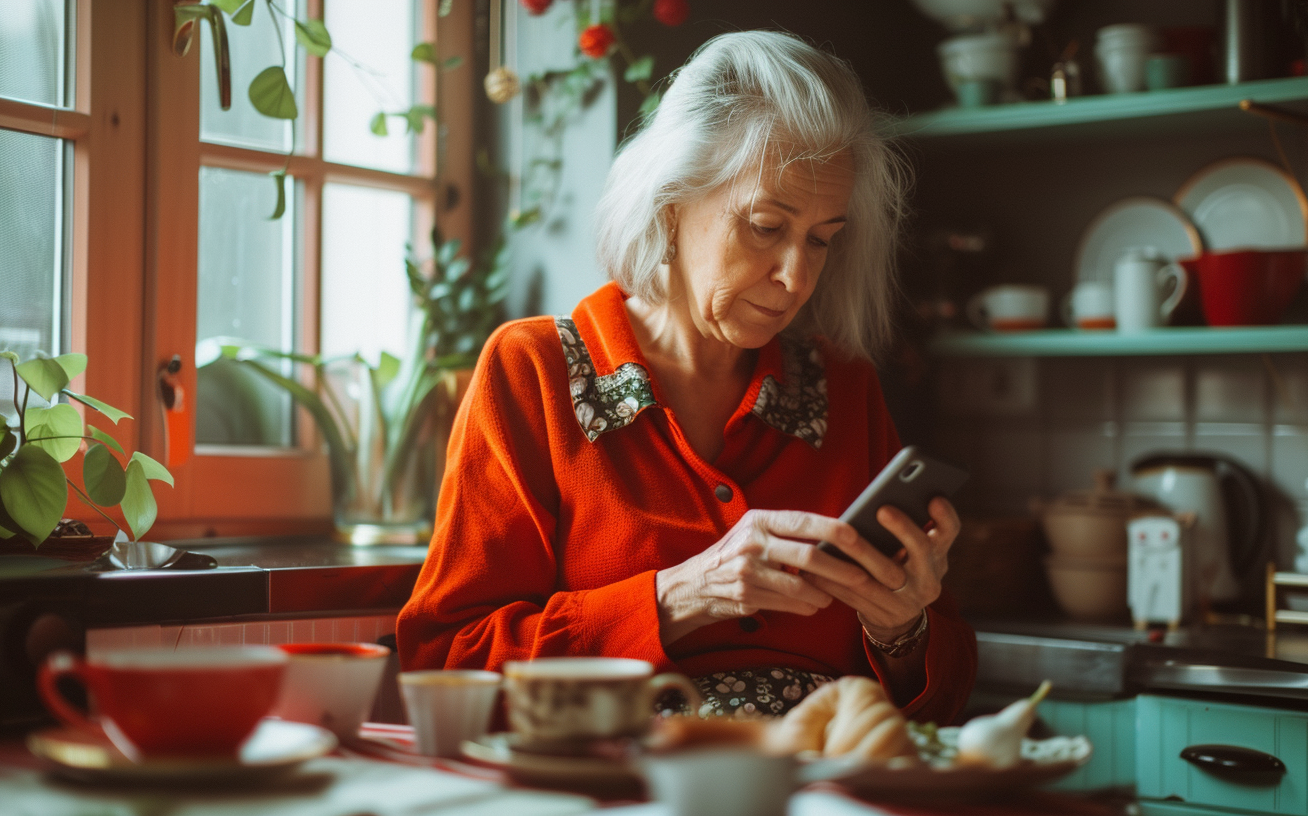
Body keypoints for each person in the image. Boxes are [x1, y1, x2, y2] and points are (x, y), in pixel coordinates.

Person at [397, 30, 976, 723]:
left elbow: (944, 701)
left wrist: (901, 629)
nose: (796, 277)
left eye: (822, 239)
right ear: (670, 205)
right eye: (765, 225)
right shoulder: (533, 372)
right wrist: (681, 596)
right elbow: (444, 663)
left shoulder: (844, 386)